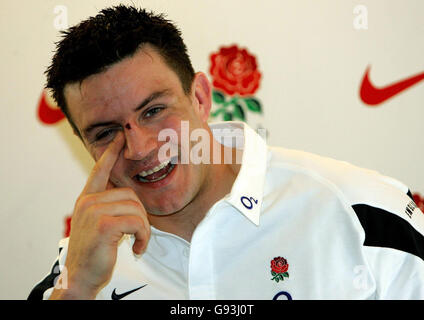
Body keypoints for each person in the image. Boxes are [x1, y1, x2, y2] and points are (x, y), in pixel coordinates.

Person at [29, 5, 424, 300]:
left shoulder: (360, 212)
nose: (141, 148)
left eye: (153, 111)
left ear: (200, 97)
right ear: (84, 144)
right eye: (106, 132)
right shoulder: (79, 264)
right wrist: (77, 287)